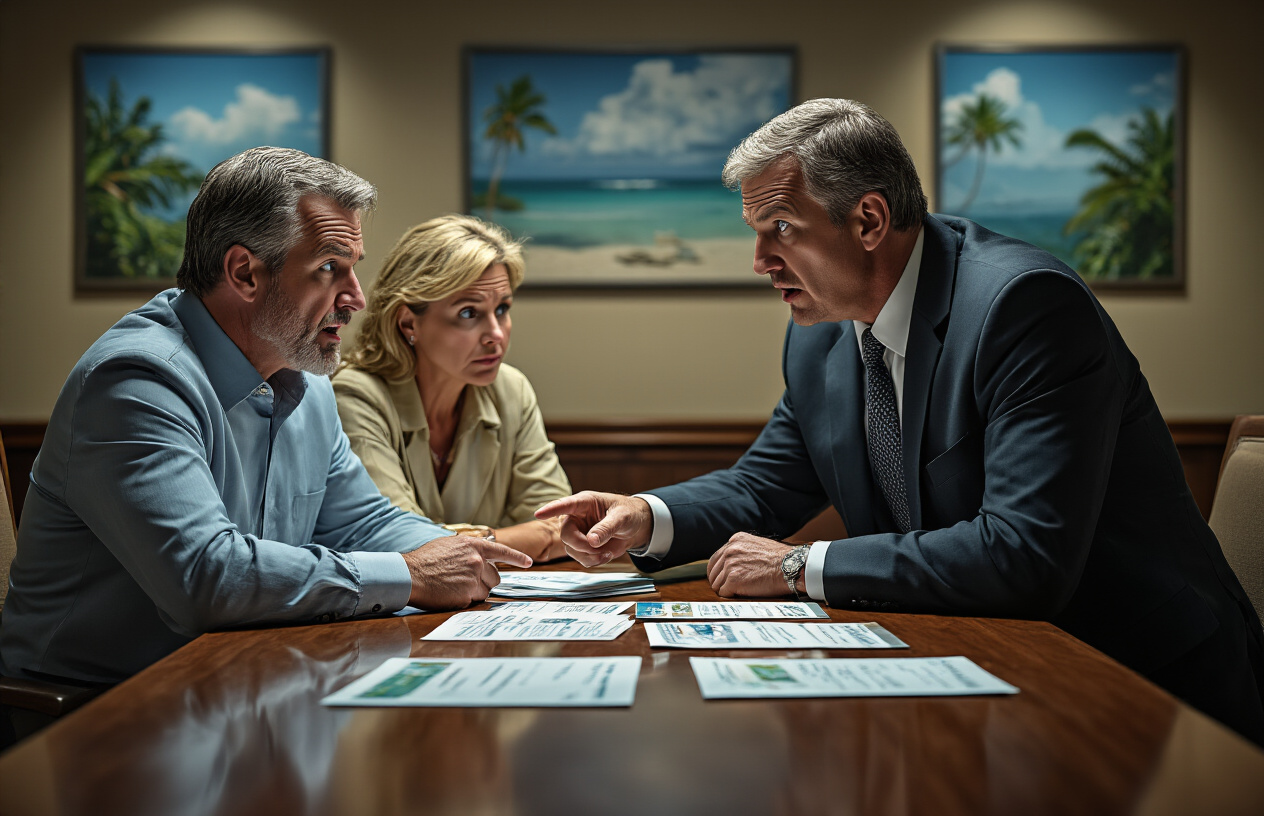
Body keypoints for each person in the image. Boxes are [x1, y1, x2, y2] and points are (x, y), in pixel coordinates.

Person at [537, 99, 1264, 744]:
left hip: (1142, 685)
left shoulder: (1026, 308)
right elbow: (767, 485)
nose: (759, 261)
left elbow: (1023, 554)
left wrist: (795, 567)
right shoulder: (819, 331)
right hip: (980, 667)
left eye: (780, 229)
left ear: (869, 219)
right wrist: (644, 514)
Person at [0, 147, 531, 686]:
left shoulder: (305, 379)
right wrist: (411, 574)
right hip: (94, 713)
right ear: (244, 273)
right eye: (329, 269)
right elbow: (206, 580)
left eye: (353, 270)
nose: (357, 298)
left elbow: (363, 522)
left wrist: (472, 562)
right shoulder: (135, 382)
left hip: (238, 684)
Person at [332, 215, 571, 562]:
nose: (497, 335)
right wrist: (515, 539)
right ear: (408, 323)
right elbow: (401, 546)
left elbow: (561, 528)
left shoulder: (511, 389)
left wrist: (474, 540)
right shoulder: (357, 396)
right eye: (468, 313)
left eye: (502, 309)